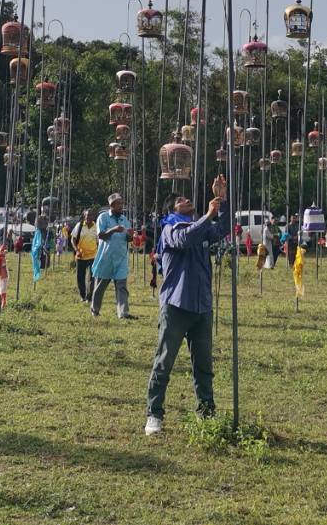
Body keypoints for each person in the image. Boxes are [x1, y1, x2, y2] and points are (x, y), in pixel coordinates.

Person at [145, 174, 226, 436]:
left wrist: (222, 200)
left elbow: (222, 230)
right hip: (176, 306)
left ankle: (207, 412)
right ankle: (154, 413)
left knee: (203, 364)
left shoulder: (199, 227)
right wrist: (208, 215)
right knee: (164, 362)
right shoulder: (170, 230)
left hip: (202, 306)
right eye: (180, 200)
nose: (187, 199)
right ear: (171, 211)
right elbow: (185, 239)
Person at [90, 192, 133, 319]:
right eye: (118, 204)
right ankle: (95, 310)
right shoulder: (103, 218)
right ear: (111, 205)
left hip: (121, 258)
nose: (121, 206)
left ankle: (123, 313)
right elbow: (101, 235)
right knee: (100, 286)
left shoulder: (124, 220)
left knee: (122, 286)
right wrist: (114, 230)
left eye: (121, 204)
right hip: (106, 258)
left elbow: (128, 238)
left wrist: (130, 235)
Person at [70, 209, 98, 303]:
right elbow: (73, 239)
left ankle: (89, 297)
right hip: (80, 256)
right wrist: (77, 250)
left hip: (93, 256)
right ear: (84, 216)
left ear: (93, 217)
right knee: (80, 278)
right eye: (87, 215)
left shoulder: (97, 227)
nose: (88, 217)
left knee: (91, 278)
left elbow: (99, 242)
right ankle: (82, 296)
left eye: (90, 215)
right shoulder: (80, 225)